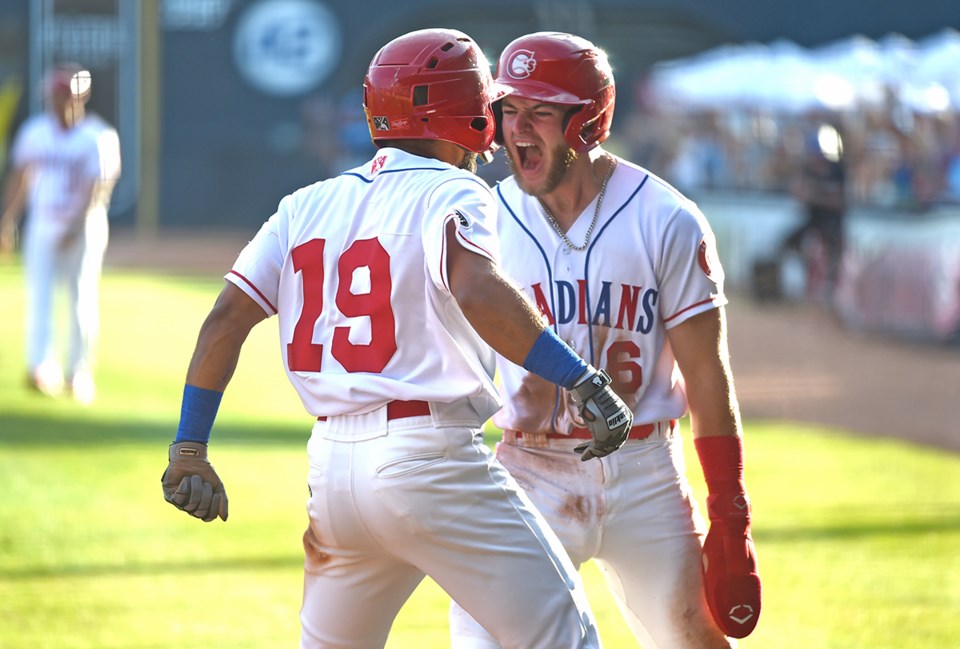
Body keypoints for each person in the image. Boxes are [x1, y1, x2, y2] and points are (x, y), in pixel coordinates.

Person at [160, 28, 635, 649]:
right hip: (428, 461)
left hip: (332, 473)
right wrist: (578, 375)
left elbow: (225, 319)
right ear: (466, 112)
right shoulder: (452, 190)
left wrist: (189, 447)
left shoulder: (305, 203)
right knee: (562, 638)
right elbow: (477, 289)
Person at [448, 32, 762, 648]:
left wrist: (730, 513)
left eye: (539, 112)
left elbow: (705, 374)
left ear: (588, 122)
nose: (517, 129)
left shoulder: (665, 218)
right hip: (526, 467)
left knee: (695, 638)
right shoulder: (481, 218)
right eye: (508, 110)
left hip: (645, 472)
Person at [0, 62, 121, 403]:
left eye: (64, 94)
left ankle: (79, 373)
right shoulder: (36, 131)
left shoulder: (98, 136)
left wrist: (74, 224)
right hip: (42, 222)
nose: (58, 101)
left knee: (80, 297)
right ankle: (41, 367)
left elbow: (99, 187)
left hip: (85, 224)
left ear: (81, 96)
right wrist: (7, 220)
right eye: (55, 94)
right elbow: (20, 176)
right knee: (39, 296)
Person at [781, 118, 847, 304]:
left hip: (833, 225)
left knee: (832, 257)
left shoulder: (837, 170)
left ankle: (829, 294)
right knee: (789, 244)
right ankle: (808, 285)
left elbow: (839, 201)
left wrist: (815, 195)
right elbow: (799, 195)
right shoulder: (809, 170)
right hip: (813, 222)